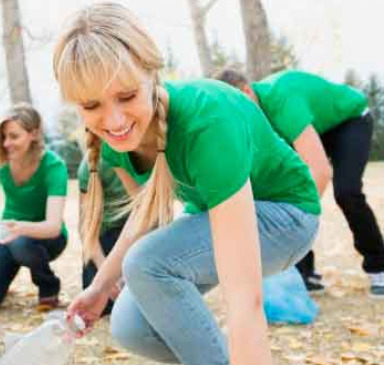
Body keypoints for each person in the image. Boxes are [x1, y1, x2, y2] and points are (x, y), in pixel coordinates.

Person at [53, 3, 321, 364]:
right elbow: (147, 215)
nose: (113, 119)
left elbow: (244, 298)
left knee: (146, 263)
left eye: (126, 96)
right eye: (91, 105)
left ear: (152, 75)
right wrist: (100, 287)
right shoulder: (117, 139)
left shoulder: (208, 121)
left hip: (288, 217)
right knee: (131, 325)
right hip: (212, 215)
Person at [218, 69, 384, 297]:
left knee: (347, 191)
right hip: (312, 129)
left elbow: (320, 171)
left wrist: (296, 220)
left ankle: (379, 267)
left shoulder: (281, 98)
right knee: (285, 195)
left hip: (349, 121)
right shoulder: (252, 115)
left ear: (246, 90)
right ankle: (304, 273)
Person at [0, 103, 68, 310]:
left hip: (47, 239)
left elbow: (53, 227)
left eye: (14, 136)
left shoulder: (53, 166)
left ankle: (48, 285)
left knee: (21, 243)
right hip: (9, 235)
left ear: (34, 133)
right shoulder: (2, 161)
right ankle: (3, 278)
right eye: (4, 137)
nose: (6, 143)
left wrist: (20, 228)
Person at [78, 152, 129, 316]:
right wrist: (105, 271)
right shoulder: (92, 165)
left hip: (141, 232)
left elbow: (158, 219)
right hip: (106, 233)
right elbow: (87, 227)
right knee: (99, 303)